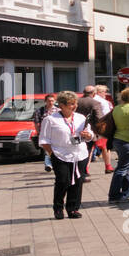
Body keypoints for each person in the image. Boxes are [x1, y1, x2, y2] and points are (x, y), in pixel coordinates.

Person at [37, 91, 95, 219]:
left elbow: (90, 135)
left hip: (80, 154)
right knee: (63, 181)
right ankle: (58, 208)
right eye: (71, 104)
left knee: (78, 182)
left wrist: (88, 135)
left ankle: (73, 208)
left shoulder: (81, 118)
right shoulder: (50, 119)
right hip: (60, 155)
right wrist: (52, 154)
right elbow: (44, 140)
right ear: (61, 105)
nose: (74, 106)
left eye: (75, 103)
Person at [33, 94, 57, 172]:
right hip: (45, 133)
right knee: (47, 150)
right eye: (49, 101)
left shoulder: (58, 111)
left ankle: (51, 164)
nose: (50, 102)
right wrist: (39, 133)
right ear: (45, 101)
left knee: (54, 150)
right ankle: (48, 165)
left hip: (55, 134)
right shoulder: (39, 110)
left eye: (52, 101)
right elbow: (37, 123)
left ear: (55, 101)